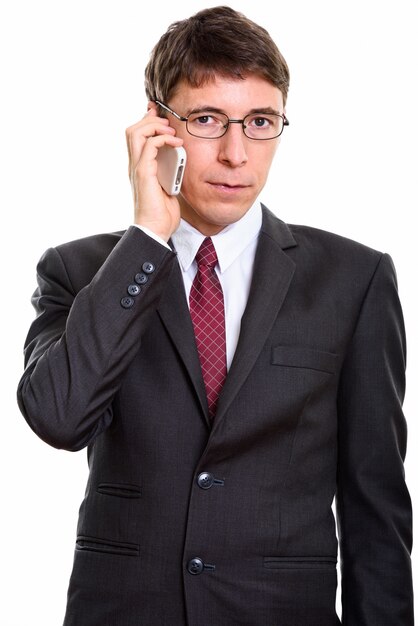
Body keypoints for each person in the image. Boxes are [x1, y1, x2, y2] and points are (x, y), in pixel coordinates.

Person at [17, 6, 413, 625]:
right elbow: (59, 418)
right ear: (157, 125)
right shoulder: (79, 271)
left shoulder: (353, 279)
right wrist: (148, 234)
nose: (236, 154)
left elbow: (376, 506)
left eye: (260, 122)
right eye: (207, 120)